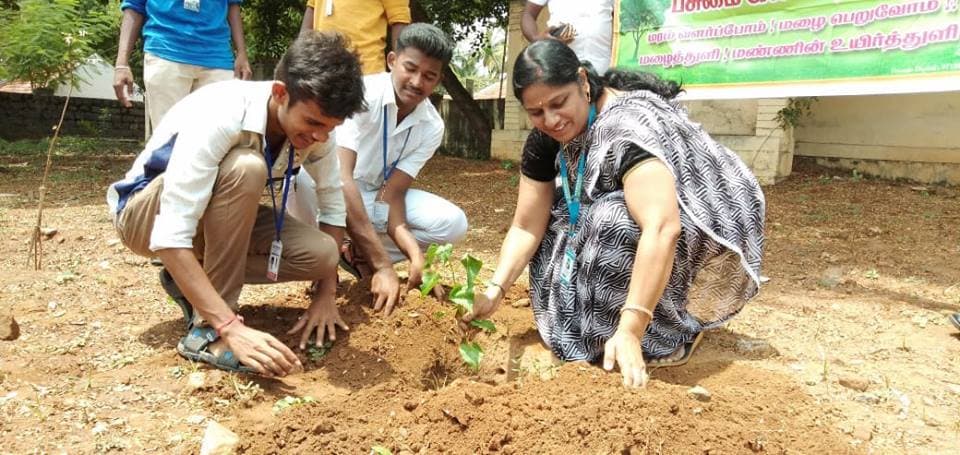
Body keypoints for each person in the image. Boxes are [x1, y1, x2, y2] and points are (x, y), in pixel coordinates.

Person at [463, 40, 765, 387]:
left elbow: (663, 227)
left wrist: (632, 328)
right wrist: (494, 292)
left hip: (693, 220)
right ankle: (603, 335)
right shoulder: (545, 139)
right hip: (621, 217)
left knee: (612, 221)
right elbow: (527, 225)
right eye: (536, 112)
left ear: (582, 81)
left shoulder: (627, 132)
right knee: (558, 227)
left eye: (559, 103)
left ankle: (662, 334)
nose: (551, 120)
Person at [106, 32, 401, 377]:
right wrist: (231, 327)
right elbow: (170, 236)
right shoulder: (223, 112)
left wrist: (326, 293)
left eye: (330, 128)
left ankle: (188, 282)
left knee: (322, 254)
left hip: (208, 218)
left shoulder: (319, 128)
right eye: (313, 124)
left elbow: (333, 208)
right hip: (144, 216)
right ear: (280, 93)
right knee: (247, 168)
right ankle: (209, 329)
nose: (320, 137)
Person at [289, 23, 467, 295]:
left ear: (439, 80)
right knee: (300, 177)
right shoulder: (360, 95)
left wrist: (415, 255)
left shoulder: (432, 125)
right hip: (329, 188)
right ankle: (324, 259)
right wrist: (383, 264)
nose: (418, 82)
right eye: (410, 68)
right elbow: (340, 179)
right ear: (392, 61)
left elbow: (392, 194)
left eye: (429, 76)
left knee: (453, 223)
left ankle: (355, 252)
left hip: (372, 197)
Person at [113, 0, 253, 135]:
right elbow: (133, 5)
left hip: (218, 57)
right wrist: (121, 64)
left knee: (219, 139)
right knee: (168, 142)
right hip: (166, 53)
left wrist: (242, 53)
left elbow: (233, 4)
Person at [300, 0, 410, 74]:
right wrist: (297, 62)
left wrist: (401, 73)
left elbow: (399, 22)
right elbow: (312, 10)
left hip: (366, 74)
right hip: (319, 72)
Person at [520, 0, 615, 74]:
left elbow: (622, 16)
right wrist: (537, 39)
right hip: (561, 67)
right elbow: (528, 14)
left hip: (603, 66)